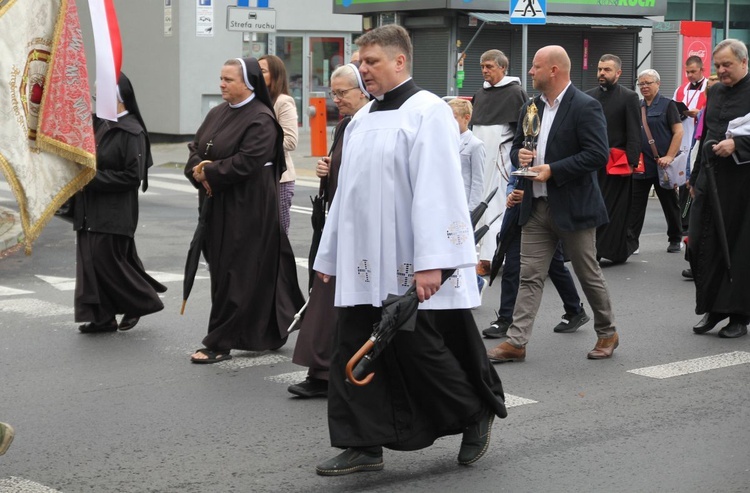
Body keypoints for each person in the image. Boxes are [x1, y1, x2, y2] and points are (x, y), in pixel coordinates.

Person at [313, 25, 507, 476]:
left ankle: (473, 411)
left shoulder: (428, 112)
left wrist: (432, 263)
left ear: (399, 62)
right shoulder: (361, 119)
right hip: (363, 263)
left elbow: (438, 189)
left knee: (420, 351)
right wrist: (329, 255)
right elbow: (347, 193)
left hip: (409, 262)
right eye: (360, 63)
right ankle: (362, 443)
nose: (363, 70)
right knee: (354, 345)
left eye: (371, 62)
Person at [486, 45, 618, 363]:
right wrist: (521, 156)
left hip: (574, 206)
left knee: (588, 274)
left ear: (554, 70)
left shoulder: (584, 106)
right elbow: (519, 144)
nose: (530, 72)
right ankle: (517, 342)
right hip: (536, 206)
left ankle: (607, 332)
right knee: (530, 275)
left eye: (535, 66)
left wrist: (553, 170)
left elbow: (597, 154)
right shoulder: (532, 106)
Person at [185, 58, 304, 363]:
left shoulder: (262, 119)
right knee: (230, 271)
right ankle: (270, 330)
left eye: (228, 79)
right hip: (216, 204)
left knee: (234, 273)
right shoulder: (217, 112)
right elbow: (196, 147)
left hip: (246, 208)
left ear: (249, 84)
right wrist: (199, 169)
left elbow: (248, 162)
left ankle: (219, 342)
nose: (221, 84)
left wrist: (208, 172)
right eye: (221, 78)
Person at [288, 62, 370, 398]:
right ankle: (321, 371)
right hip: (335, 222)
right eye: (333, 93)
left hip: (357, 226)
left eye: (342, 92)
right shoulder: (347, 124)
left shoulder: (370, 123)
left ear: (362, 89)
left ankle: (331, 371)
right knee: (324, 296)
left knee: (338, 301)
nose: (337, 99)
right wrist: (327, 166)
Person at [73, 72, 166, 334]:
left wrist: (89, 179)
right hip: (90, 210)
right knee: (92, 265)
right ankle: (103, 318)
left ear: (118, 99)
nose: (94, 100)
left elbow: (131, 176)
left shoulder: (131, 131)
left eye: (98, 95)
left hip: (114, 212)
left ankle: (142, 302)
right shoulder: (100, 123)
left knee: (107, 264)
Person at [688, 38, 750, 339]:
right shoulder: (714, 91)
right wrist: (694, 176)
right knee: (701, 243)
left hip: (741, 186)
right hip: (709, 181)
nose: (721, 70)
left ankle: (738, 315)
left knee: (737, 249)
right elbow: (708, 135)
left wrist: (738, 144)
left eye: (727, 65)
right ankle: (713, 308)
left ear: (744, 62)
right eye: (718, 66)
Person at [470, 49, 528, 277]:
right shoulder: (480, 94)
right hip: (480, 161)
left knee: (496, 205)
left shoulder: (515, 93)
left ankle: (491, 258)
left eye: (490, 67)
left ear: (503, 68)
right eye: (483, 67)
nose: (485, 71)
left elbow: (522, 133)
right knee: (479, 206)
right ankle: (481, 255)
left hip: (501, 162)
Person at [585, 54, 642, 263]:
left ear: (618, 73)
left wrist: (632, 161)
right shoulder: (588, 96)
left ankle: (609, 250)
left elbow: (634, 131)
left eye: (607, 70)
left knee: (613, 209)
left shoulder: (629, 97)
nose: (601, 73)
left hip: (617, 162)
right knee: (593, 205)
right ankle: (593, 249)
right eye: (600, 69)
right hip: (591, 161)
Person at [627, 69, 684, 255]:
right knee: (635, 206)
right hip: (641, 165)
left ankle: (675, 239)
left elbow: (678, 132)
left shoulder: (668, 105)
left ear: (658, 84)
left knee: (669, 203)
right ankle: (631, 241)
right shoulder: (637, 106)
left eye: (648, 83)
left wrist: (669, 156)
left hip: (663, 166)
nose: (644, 87)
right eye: (641, 83)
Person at [447, 98, 488, 300]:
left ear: (466, 118)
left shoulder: (475, 145)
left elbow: (478, 180)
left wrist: (473, 209)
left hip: (465, 205)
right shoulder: (445, 141)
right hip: (448, 204)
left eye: (454, 118)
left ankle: (476, 283)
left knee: (465, 249)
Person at [259, 55, 298, 235]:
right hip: (257, 178)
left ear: (275, 75)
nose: (257, 74)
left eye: (263, 71)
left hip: (279, 178)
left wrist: (259, 140)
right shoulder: (256, 100)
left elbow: (290, 141)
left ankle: (279, 264)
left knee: (277, 234)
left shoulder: (283, 101)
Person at [674, 56, 708, 234]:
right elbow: (673, 110)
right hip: (683, 138)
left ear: (702, 70)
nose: (690, 75)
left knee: (693, 179)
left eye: (693, 71)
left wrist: (700, 113)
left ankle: (693, 220)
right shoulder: (680, 90)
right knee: (682, 181)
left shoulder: (710, 88)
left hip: (698, 140)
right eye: (687, 71)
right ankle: (682, 220)